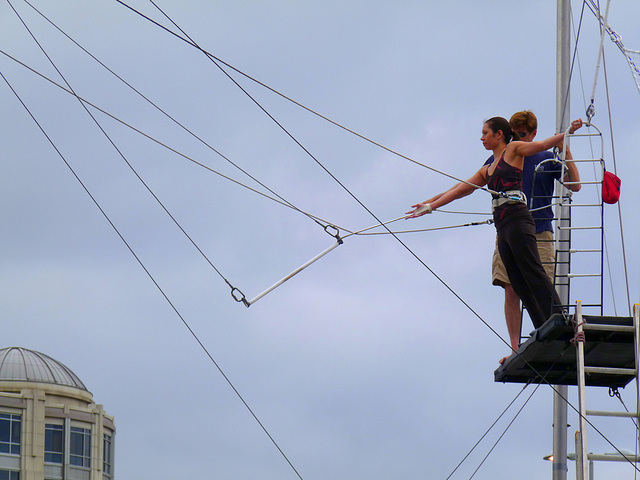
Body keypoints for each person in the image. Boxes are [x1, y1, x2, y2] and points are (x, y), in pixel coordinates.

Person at [406, 116, 583, 356]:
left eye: (485, 133)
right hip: (503, 226)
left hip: (519, 219)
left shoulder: (514, 150)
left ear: (499, 134)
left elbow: (542, 145)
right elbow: (460, 189)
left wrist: (567, 133)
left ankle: (566, 324)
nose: (481, 138)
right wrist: (429, 206)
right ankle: (543, 327)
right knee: (517, 283)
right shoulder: (488, 167)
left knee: (533, 272)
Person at [485, 111, 581, 356]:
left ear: (533, 134)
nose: (519, 138)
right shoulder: (501, 158)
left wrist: (565, 148)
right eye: (516, 134)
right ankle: (515, 346)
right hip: (509, 229)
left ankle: (556, 331)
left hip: (539, 230)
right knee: (511, 287)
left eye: (524, 135)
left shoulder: (544, 158)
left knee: (540, 282)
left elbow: (574, 185)